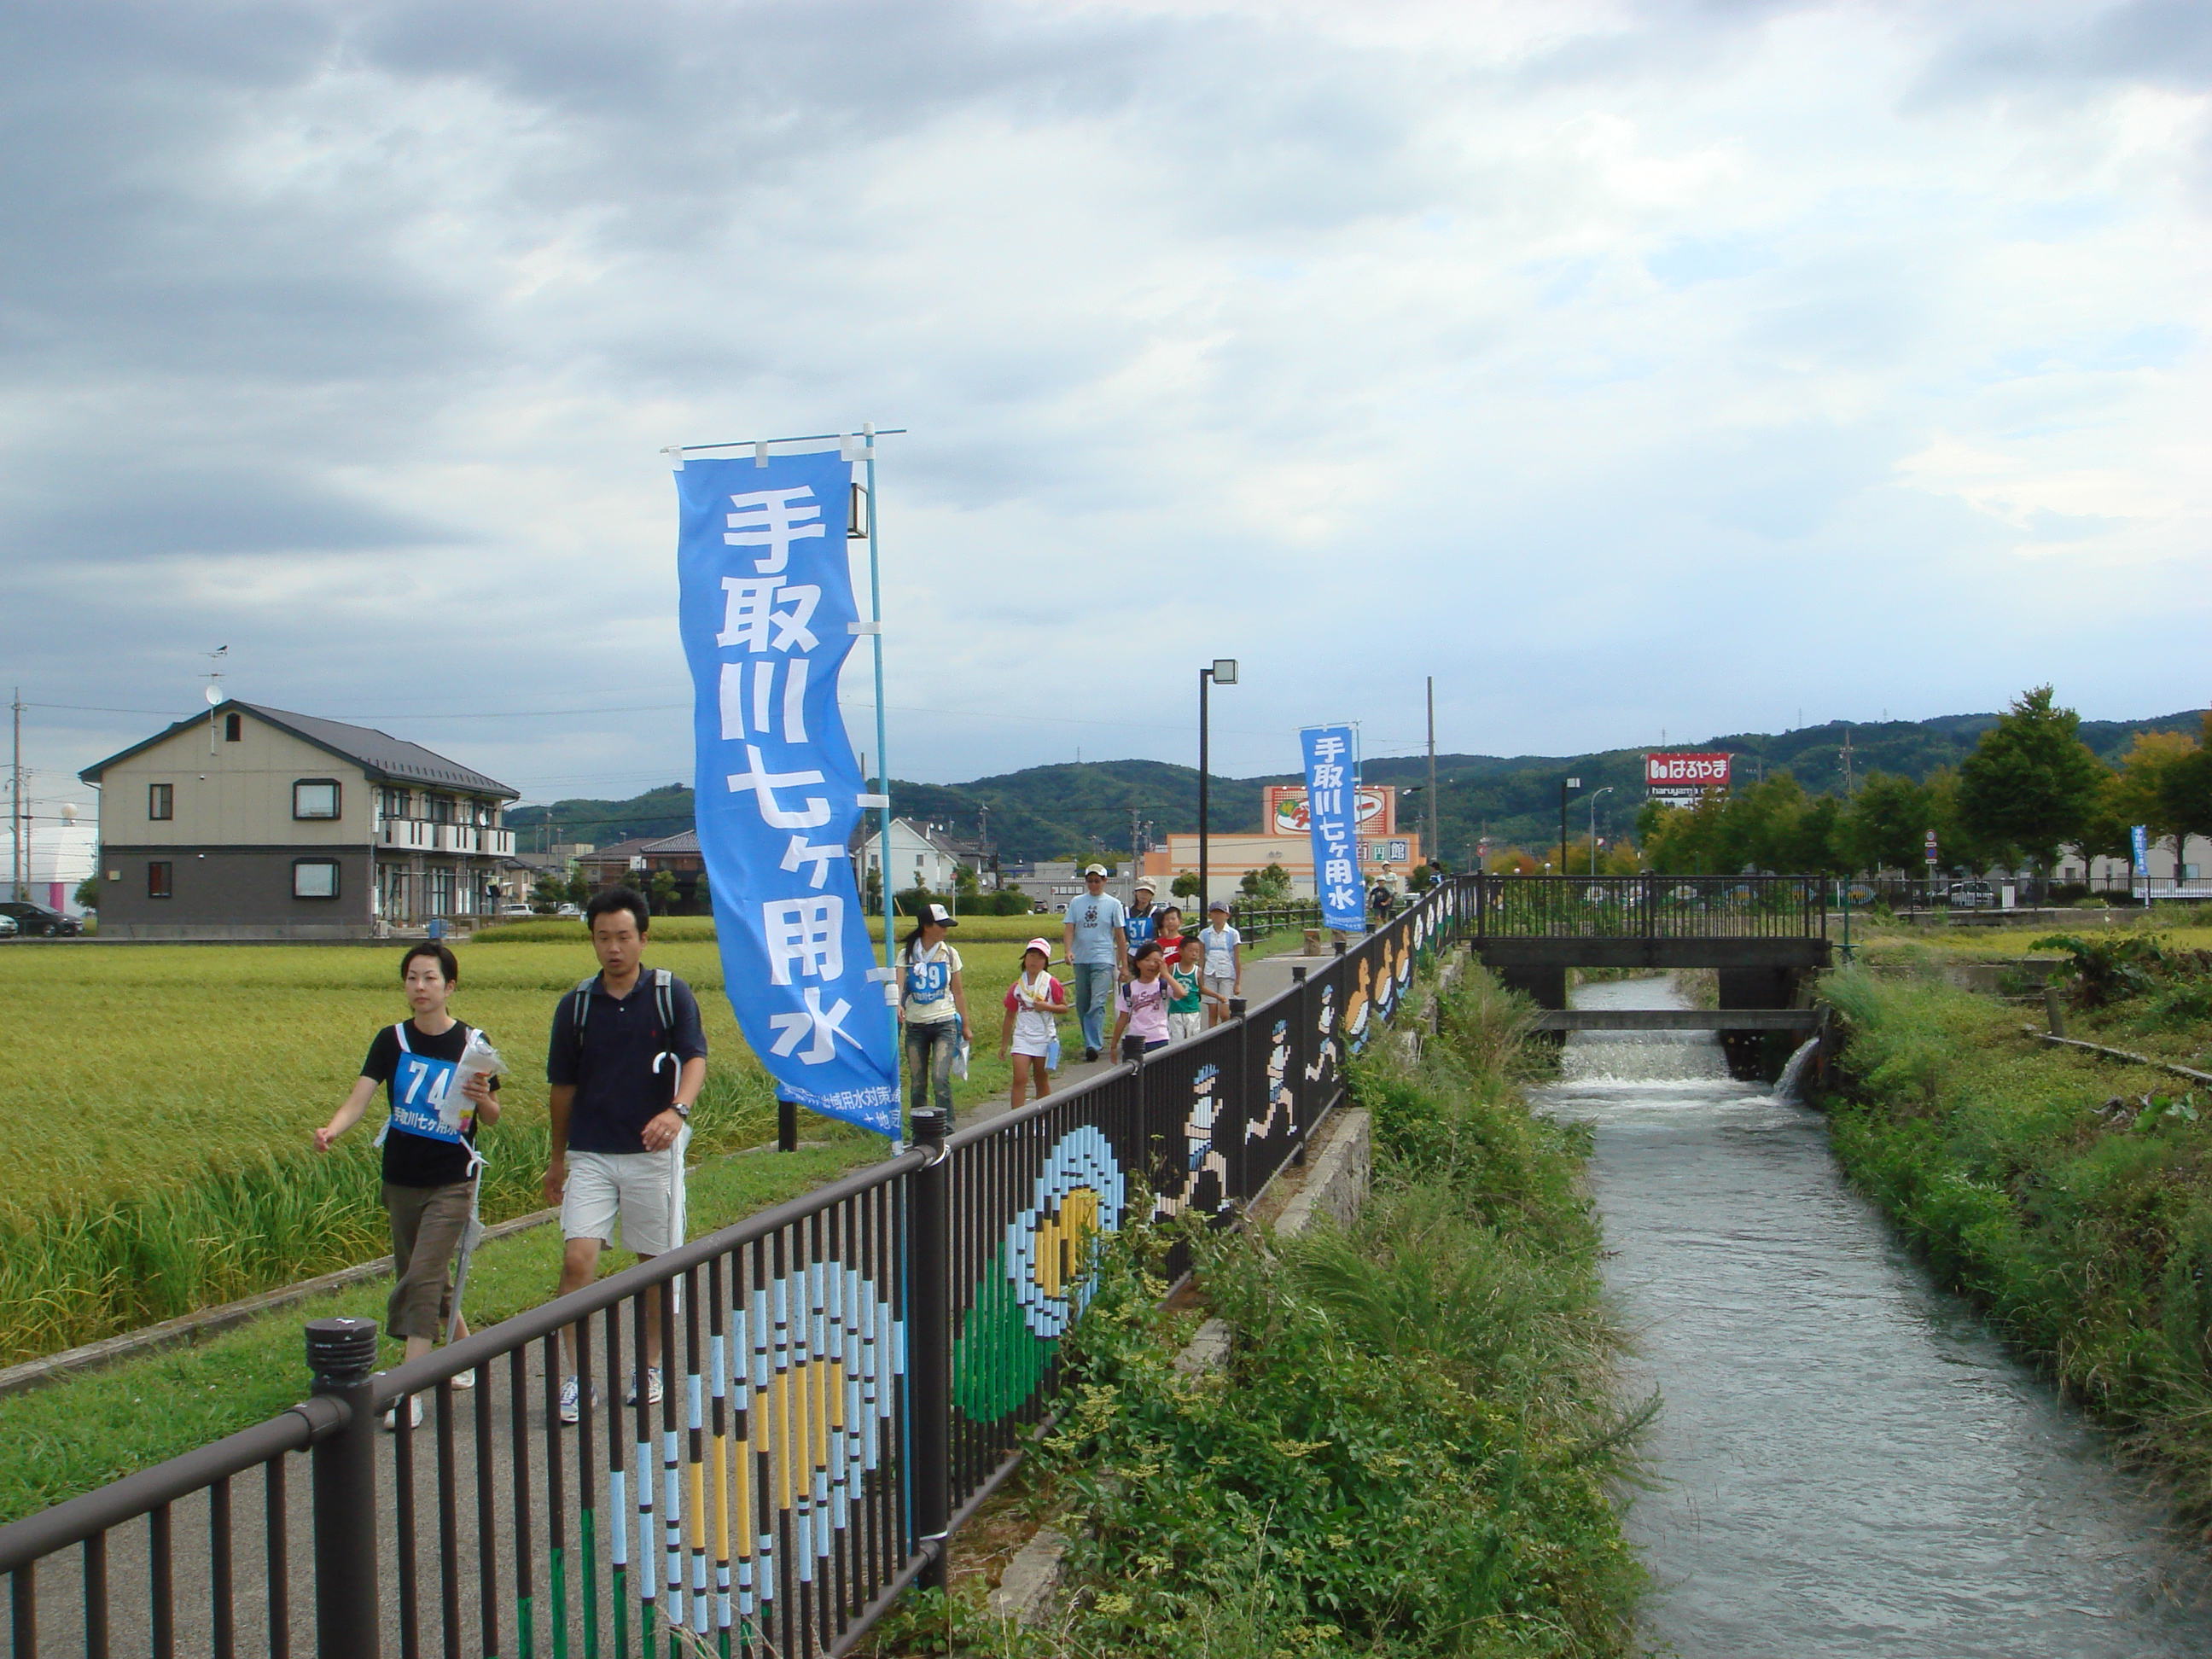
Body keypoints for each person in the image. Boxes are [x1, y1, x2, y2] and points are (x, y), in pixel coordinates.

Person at [314, 942, 501, 1429]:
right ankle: (463, 1354)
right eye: (412, 978)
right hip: (401, 1177)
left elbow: (494, 1116)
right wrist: (333, 1129)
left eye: (430, 979)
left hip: (452, 1179)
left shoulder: (473, 1044)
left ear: (450, 987)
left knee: (420, 1278)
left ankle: (408, 1388)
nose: (420, 988)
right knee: (426, 1273)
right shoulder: (391, 1040)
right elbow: (360, 1097)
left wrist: (483, 1099)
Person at [544, 888, 707, 1425]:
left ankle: (651, 1365)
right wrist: (557, 1158)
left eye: (622, 937)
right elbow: (562, 1088)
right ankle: (575, 1377)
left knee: (654, 1267)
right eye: (602, 937)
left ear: (643, 937)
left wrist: (676, 1112)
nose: (612, 948)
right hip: (591, 1151)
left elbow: (695, 1059)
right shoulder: (577, 1006)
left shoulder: (670, 993)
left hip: (651, 1152)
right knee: (577, 1260)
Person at [898, 901, 970, 1127]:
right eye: (942, 925)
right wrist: (898, 1006)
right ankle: (919, 1126)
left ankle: (946, 1125)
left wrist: (966, 1025)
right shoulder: (906, 955)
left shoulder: (949, 953)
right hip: (916, 1024)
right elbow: (899, 987)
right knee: (918, 1081)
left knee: (940, 1077)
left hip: (945, 1022)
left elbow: (958, 992)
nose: (946, 930)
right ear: (927, 926)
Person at [1061, 864, 1127, 1062]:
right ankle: (1089, 1039)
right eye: (1090, 881)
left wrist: (1123, 963)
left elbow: (1120, 935)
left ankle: (1093, 1044)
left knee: (1097, 1002)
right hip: (1082, 958)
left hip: (1103, 958)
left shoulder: (1113, 904)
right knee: (1083, 1003)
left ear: (1105, 881)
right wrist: (1068, 950)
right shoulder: (1077, 902)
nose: (1094, 884)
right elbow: (1069, 928)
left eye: (1097, 880)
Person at [998, 937, 1068, 1110]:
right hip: (1022, 1036)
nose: (1034, 961)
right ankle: (1016, 1120)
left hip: (1044, 1036)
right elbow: (1009, 1015)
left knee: (1041, 1078)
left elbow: (1064, 1007)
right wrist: (1004, 1044)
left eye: (1039, 957)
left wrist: (1046, 1007)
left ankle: (1042, 1118)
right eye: (1030, 956)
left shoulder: (1051, 983)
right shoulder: (1017, 986)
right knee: (1019, 1078)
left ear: (1045, 962)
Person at [1109, 941, 1173, 1060]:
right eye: (1147, 960)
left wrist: (1166, 974)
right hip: (1135, 1039)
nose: (1151, 965)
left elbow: (1181, 993)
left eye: (1156, 961)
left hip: (1160, 1038)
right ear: (1138, 963)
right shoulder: (1129, 988)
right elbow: (1123, 1018)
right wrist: (1113, 1045)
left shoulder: (1162, 985)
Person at [1166, 933, 1225, 1042]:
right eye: (1191, 951)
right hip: (1175, 1011)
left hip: (1193, 1011)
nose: (1194, 954)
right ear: (1181, 951)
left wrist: (1217, 996)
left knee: (1192, 1040)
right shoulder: (1172, 969)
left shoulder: (1197, 971)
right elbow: (1165, 986)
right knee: (1176, 1040)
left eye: (1197, 951)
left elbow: (1201, 988)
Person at [1199, 899, 1243, 1027]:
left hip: (1227, 974)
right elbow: (1201, 958)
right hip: (1210, 973)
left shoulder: (1233, 934)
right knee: (1212, 1011)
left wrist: (1238, 983)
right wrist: (1200, 978)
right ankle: (1211, 1038)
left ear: (1227, 915)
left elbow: (1237, 959)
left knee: (1224, 1012)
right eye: (1214, 913)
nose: (1218, 916)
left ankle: (1226, 1033)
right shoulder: (1204, 934)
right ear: (1210, 915)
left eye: (1221, 913)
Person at [1123, 877, 1161, 956]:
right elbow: (1121, 939)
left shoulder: (1157, 913)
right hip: (1131, 954)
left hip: (1151, 954)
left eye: (1148, 892)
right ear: (1135, 892)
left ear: (1152, 895)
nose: (1144, 895)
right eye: (1141, 891)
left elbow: (1164, 935)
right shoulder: (1126, 912)